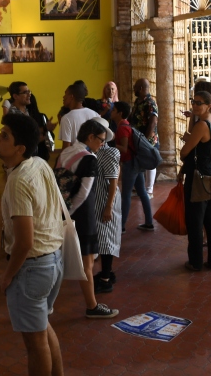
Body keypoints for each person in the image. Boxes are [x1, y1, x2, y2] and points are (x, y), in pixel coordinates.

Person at [0, 113, 65, 376]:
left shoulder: (18, 181)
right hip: (53, 259)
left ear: (19, 148)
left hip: (32, 268)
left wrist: (7, 275)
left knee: (35, 344)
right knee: (43, 328)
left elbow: (24, 241)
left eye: (5, 136)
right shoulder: (39, 163)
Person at [56, 119, 119, 319]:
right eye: (100, 140)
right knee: (87, 264)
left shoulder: (66, 152)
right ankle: (92, 306)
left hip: (62, 209)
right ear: (90, 137)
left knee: (66, 257)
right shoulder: (90, 159)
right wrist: (71, 213)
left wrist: (63, 213)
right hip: (82, 215)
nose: (102, 145)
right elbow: (83, 193)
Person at [177, 91, 211, 272]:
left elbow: (184, 152)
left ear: (209, 106)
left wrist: (188, 140)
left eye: (199, 103)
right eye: (193, 102)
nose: (195, 105)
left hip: (197, 179)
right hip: (209, 177)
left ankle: (195, 262)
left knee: (195, 222)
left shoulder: (202, 125)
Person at [89, 116, 122, 294]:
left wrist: (108, 206)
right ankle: (106, 272)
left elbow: (113, 182)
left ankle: (106, 279)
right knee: (102, 239)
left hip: (106, 202)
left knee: (107, 240)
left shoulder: (108, 153)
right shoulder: (97, 152)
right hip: (100, 201)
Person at [112, 101, 153, 232]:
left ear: (120, 113)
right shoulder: (126, 125)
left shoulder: (122, 128)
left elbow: (124, 148)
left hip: (130, 163)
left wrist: (110, 144)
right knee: (142, 192)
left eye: (114, 110)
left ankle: (122, 226)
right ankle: (149, 223)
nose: (111, 112)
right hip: (135, 162)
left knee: (126, 195)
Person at [4, 82, 51, 161]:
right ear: (15, 96)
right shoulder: (13, 115)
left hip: (32, 157)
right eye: (25, 92)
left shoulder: (28, 112)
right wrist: (44, 129)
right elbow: (22, 137)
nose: (29, 94)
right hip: (20, 160)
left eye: (29, 91)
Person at [129, 79, 159, 198]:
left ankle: (149, 190)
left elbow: (153, 122)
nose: (134, 90)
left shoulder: (150, 103)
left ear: (141, 88)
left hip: (148, 139)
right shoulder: (138, 101)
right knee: (140, 162)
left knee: (150, 164)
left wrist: (145, 140)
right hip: (138, 138)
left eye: (135, 87)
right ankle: (140, 188)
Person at [58, 83, 99, 149]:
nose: (63, 97)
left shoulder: (66, 118)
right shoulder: (95, 114)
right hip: (92, 158)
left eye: (65, 94)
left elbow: (66, 149)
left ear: (72, 97)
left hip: (75, 158)